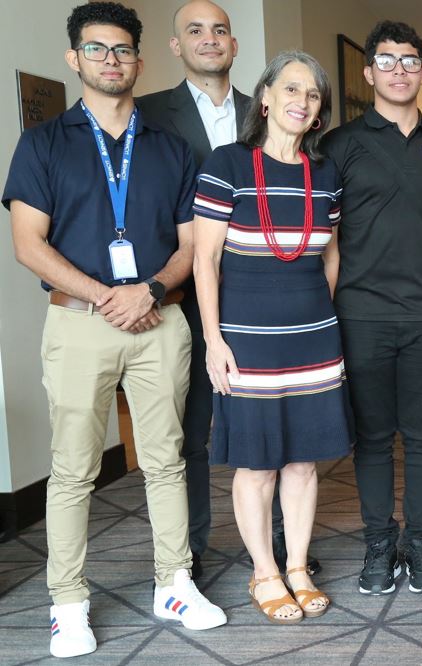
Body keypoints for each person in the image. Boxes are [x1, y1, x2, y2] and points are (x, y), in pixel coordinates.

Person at [3, 2, 226, 657]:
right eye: (96, 50)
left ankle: (174, 582)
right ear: (74, 59)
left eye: (122, 49)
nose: (110, 60)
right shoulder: (43, 143)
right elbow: (27, 242)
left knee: (166, 463)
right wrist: (107, 296)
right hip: (78, 325)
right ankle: (67, 603)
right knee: (72, 472)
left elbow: (192, 245)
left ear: (139, 59)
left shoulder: (170, 146)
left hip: (161, 322)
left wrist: (150, 290)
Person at [192, 50, 349, 624]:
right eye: (291, 89)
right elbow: (205, 261)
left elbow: (330, 254)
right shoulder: (227, 164)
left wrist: (315, 317)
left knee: (304, 462)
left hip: (312, 340)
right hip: (247, 341)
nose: (301, 102)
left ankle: (299, 566)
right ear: (265, 98)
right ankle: (264, 571)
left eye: (312, 95)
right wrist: (214, 339)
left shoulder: (325, 173)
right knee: (256, 464)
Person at [323, 20, 422, 595]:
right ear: (367, 71)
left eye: (409, 61)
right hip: (363, 314)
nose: (399, 71)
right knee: (375, 437)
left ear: (421, 71)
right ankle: (381, 544)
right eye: (387, 61)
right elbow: (324, 236)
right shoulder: (340, 144)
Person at [135, 0, 253, 582]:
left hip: (262, 296)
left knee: (267, 425)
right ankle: (191, 549)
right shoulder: (148, 115)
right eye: (196, 31)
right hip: (183, 295)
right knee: (188, 435)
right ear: (176, 47)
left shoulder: (268, 112)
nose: (210, 39)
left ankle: (278, 543)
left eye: (221, 30)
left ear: (234, 44)